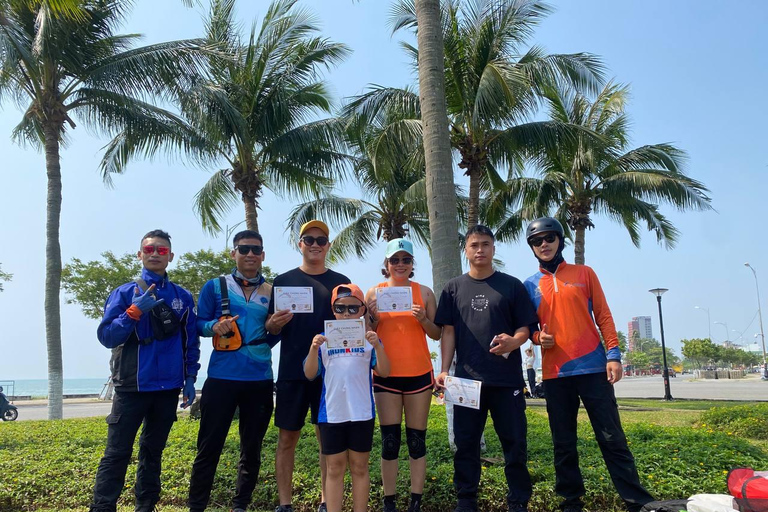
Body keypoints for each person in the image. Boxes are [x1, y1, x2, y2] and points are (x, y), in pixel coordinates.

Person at [523, 217, 655, 512]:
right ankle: (571, 501)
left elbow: (604, 316)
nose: (543, 244)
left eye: (549, 238)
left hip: (594, 368)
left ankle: (637, 500)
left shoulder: (584, 273)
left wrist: (614, 355)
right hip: (556, 374)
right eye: (536, 241)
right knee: (563, 442)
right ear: (531, 247)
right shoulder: (529, 285)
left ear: (559, 240)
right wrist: (536, 336)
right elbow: (529, 327)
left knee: (612, 437)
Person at [91, 229, 200, 512]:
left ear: (170, 257)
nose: (155, 254)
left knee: (153, 453)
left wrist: (190, 378)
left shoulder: (182, 297)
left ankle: (146, 506)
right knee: (116, 453)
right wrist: (132, 313)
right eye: (149, 250)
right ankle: (102, 507)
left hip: (167, 390)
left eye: (162, 250)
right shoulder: (125, 293)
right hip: (131, 387)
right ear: (140, 255)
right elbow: (107, 337)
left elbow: (190, 341)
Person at [434, 225, 539, 512]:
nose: (480, 250)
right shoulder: (453, 288)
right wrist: (444, 370)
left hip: (507, 382)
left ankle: (518, 501)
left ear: (493, 249)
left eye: (485, 244)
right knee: (465, 446)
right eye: (474, 245)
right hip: (465, 382)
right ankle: (466, 500)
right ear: (465, 250)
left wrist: (513, 342)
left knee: (515, 444)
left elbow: (526, 328)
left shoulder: (511, 285)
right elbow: (448, 333)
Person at [188, 230, 277, 512]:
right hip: (221, 378)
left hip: (260, 379)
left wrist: (274, 329)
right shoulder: (215, 286)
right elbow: (197, 324)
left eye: (255, 250)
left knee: (252, 449)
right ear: (233, 253)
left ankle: (240, 505)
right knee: (208, 447)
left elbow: (273, 334)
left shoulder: (273, 291)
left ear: (263, 255)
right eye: (243, 249)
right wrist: (213, 326)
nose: (250, 254)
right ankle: (196, 506)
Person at [266, 220, 350, 512]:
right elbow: (270, 333)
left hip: (331, 373)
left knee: (326, 440)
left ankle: (327, 502)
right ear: (299, 244)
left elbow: (351, 324)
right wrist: (273, 324)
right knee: (287, 438)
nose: (315, 244)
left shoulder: (341, 282)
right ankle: (285, 504)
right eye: (309, 239)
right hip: (292, 371)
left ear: (328, 246)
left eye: (321, 240)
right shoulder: (282, 281)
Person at [365, 238, 441, 512]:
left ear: (412, 264)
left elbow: (438, 333)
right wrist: (372, 319)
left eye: (405, 260)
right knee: (389, 440)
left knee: (416, 438)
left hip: (419, 374)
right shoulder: (373, 293)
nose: (400, 264)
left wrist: (423, 319)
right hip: (386, 375)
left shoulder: (426, 293)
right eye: (394, 260)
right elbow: (365, 333)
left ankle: (416, 500)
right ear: (386, 265)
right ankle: (389, 501)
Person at [303, 283, 391, 512]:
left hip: (361, 412)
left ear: (362, 310)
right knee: (334, 468)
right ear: (333, 310)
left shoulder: (369, 339)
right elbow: (310, 373)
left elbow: (385, 371)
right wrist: (313, 349)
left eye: (353, 309)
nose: (346, 313)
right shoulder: (323, 339)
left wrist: (377, 346)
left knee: (360, 467)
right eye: (340, 308)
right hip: (332, 413)